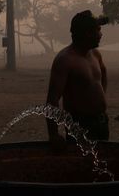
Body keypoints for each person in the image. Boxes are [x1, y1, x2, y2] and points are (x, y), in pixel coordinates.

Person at [46, 10, 109, 150]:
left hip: (101, 121)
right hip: (79, 124)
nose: (101, 34)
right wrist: (53, 134)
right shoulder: (65, 60)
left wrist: (99, 101)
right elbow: (52, 100)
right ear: (87, 33)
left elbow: (103, 76)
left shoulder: (95, 55)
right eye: (98, 30)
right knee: (83, 165)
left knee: (103, 163)